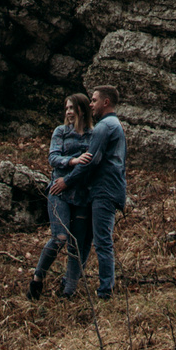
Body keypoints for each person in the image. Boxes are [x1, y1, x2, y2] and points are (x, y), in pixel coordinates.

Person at [27, 94, 93, 300]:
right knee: (60, 237)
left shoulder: (93, 135)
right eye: (66, 108)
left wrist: (73, 176)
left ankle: (68, 291)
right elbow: (52, 158)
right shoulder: (61, 132)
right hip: (59, 191)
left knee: (77, 244)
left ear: (82, 109)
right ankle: (37, 279)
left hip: (82, 196)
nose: (68, 112)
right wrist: (73, 161)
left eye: (72, 108)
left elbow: (91, 165)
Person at [66, 84, 127, 298]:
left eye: (94, 100)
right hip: (107, 190)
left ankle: (105, 292)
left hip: (104, 191)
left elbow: (91, 161)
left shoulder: (105, 127)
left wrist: (67, 181)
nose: (91, 104)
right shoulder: (114, 125)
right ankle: (71, 284)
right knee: (93, 240)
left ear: (106, 102)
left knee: (102, 242)